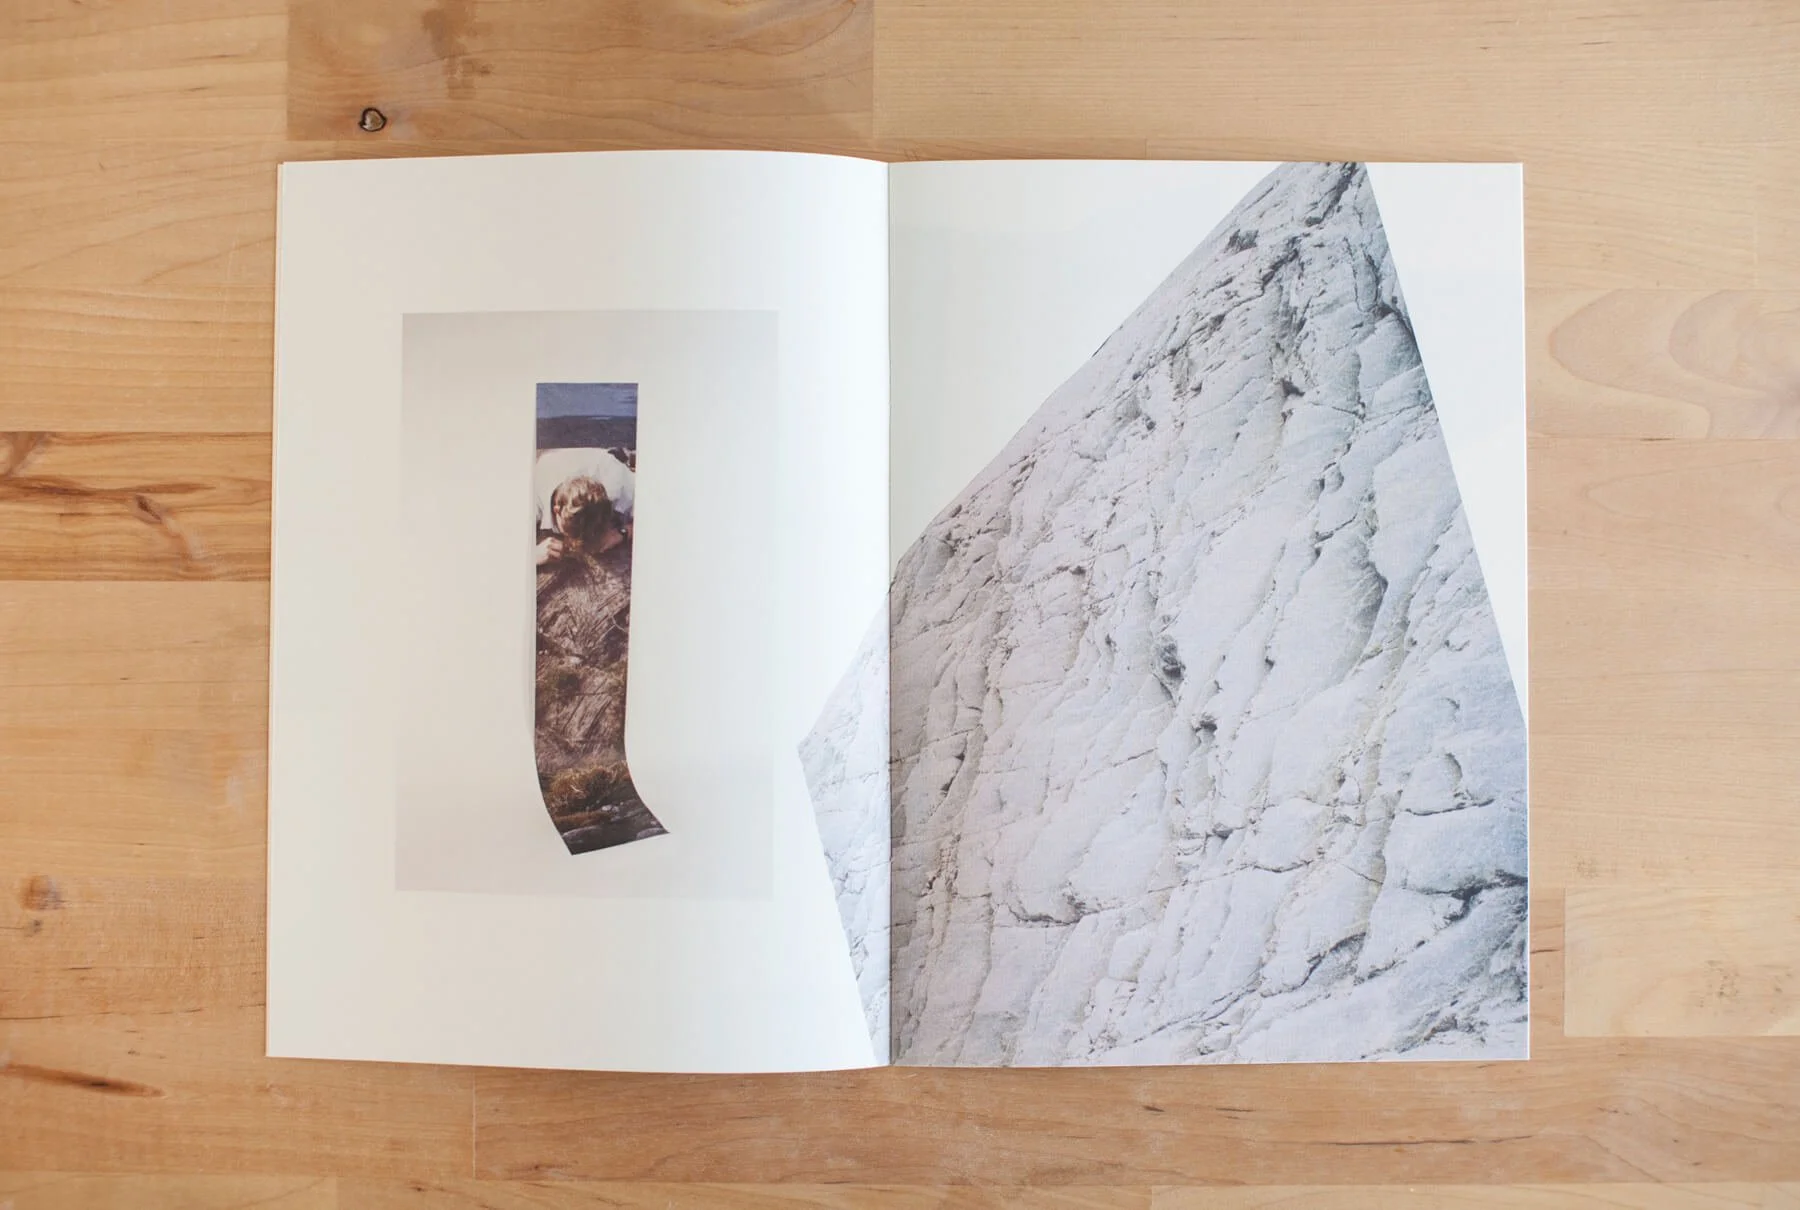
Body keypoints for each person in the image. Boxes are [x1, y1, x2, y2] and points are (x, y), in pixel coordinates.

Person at [536, 474, 626, 566]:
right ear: (557, 511)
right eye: (573, 534)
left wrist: (621, 533)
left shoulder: (620, 486)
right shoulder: (533, 500)